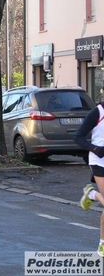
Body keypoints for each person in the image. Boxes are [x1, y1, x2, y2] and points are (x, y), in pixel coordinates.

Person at [74, 102, 104, 257]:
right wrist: (95, 148)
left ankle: (102, 242)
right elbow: (78, 137)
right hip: (99, 161)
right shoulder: (97, 112)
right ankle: (92, 194)